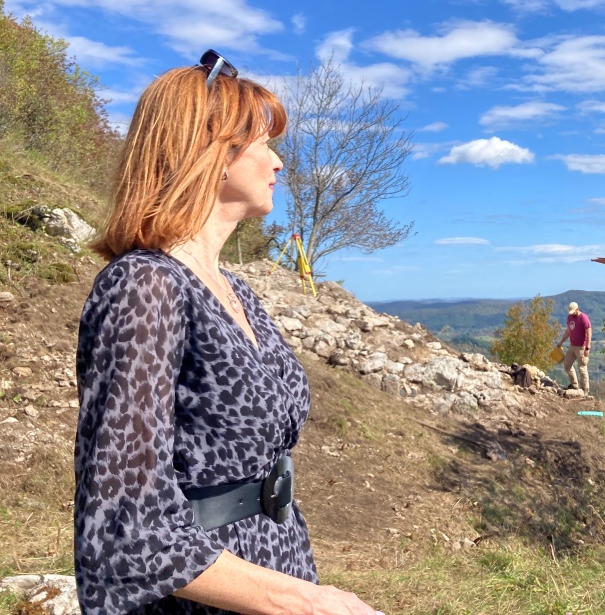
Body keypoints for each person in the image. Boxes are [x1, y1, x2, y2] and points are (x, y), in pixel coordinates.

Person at [74, 51, 383, 615]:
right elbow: (124, 526)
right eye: (265, 144)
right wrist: (302, 602)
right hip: (197, 598)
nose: (279, 163)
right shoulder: (144, 285)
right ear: (213, 151)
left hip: (272, 560)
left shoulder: (233, 288)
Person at [555, 302, 591, 394]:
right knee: (567, 364)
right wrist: (561, 342)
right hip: (572, 346)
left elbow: (589, 332)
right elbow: (568, 331)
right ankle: (574, 385)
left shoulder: (583, 317)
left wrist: (587, 347)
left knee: (582, 368)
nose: (572, 313)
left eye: (573, 311)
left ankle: (585, 390)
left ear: (577, 309)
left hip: (582, 346)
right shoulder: (570, 317)